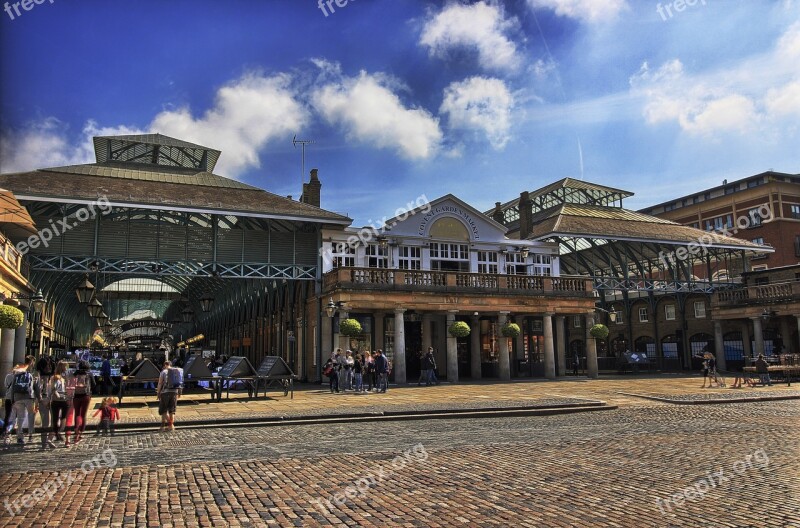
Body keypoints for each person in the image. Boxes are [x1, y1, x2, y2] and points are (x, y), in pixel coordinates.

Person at [9, 356, 38, 446]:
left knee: (20, 418)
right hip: (28, 397)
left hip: (17, 397)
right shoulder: (32, 372)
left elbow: (13, 386)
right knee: (30, 416)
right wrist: (37, 399)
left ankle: (20, 437)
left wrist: (12, 399)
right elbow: (33, 386)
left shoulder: (18, 370)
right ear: (32, 362)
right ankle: (30, 435)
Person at [66, 360, 96, 445]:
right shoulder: (89, 373)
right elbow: (94, 384)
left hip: (76, 396)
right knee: (83, 415)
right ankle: (80, 433)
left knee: (77, 414)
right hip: (86, 395)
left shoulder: (75, 373)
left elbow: (71, 383)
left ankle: (76, 430)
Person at [48, 361, 69, 447]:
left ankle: (57, 435)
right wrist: (59, 396)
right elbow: (54, 389)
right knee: (58, 420)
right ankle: (53, 436)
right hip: (59, 400)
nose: (66, 369)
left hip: (59, 400)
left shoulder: (62, 378)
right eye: (65, 367)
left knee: (59, 420)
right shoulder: (55, 377)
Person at [156, 361, 182, 432]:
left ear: (165, 365)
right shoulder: (177, 371)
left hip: (165, 393)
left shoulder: (163, 372)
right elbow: (180, 383)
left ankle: (166, 426)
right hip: (174, 392)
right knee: (172, 410)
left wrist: (158, 393)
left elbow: (160, 383)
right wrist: (179, 392)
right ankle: (169, 427)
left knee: (163, 410)